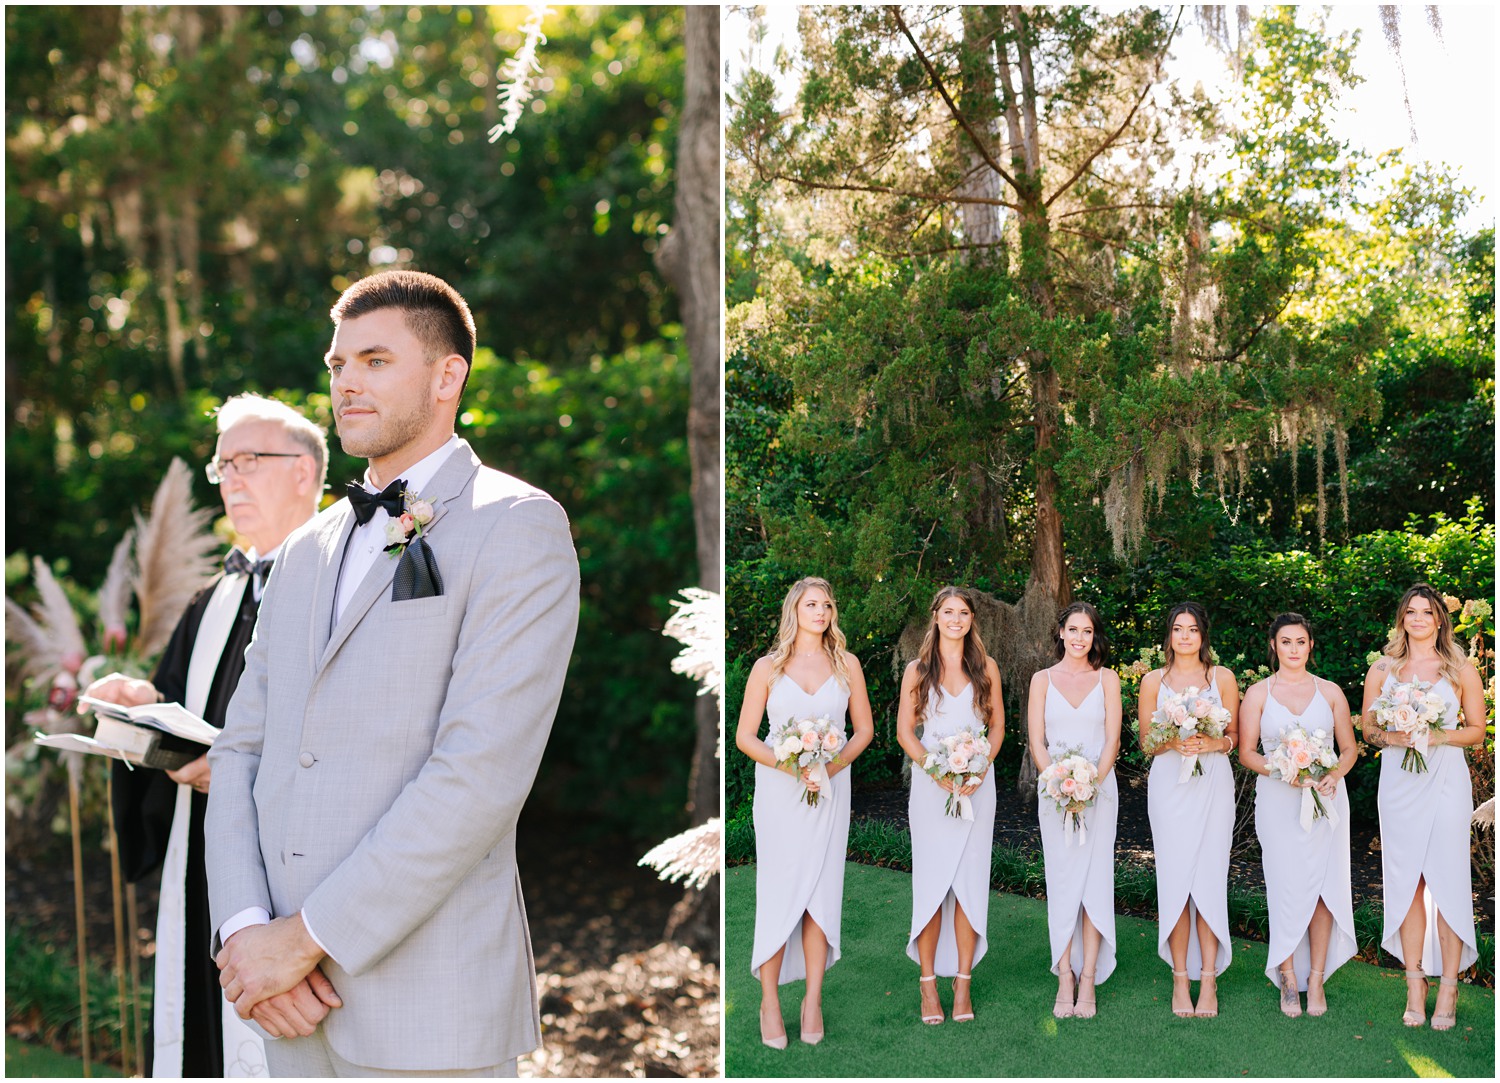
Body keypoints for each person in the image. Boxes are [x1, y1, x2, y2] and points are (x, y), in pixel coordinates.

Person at [205, 270, 580, 1077]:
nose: (345, 383)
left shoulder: (518, 526)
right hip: (285, 1010)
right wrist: (243, 932)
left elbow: (478, 773)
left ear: (448, 376)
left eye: (375, 360)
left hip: (427, 1005)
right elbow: (243, 748)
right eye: (338, 365)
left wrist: (302, 941)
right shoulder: (306, 547)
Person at [83, 394, 327, 1077]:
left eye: (250, 460)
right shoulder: (213, 598)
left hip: (289, 866)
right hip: (202, 854)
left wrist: (245, 770)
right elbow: (188, 708)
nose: (230, 479)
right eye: (223, 464)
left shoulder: (340, 584)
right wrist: (141, 702)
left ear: (305, 472)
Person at [735, 577, 874, 1049]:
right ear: (794, 610)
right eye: (811, 603)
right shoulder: (767, 668)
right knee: (780, 892)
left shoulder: (847, 664)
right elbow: (746, 737)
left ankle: (812, 999)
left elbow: (863, 732)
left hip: (831, 791)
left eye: (827, 604)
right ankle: (769, 1002)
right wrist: (794, 767)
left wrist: (827, 769)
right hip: (780, 793)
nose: (821, 611)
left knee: (821, 891)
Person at [1360, 584, 1485, 1031]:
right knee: (1408, 882)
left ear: (1439, 620)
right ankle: (1416, 983)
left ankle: (1449, 985)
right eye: (1410, 612)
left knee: (1448, 881)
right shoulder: (1383, 669)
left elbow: (1477, 731)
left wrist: (1435, 734)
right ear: (1402, 619)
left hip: (1447, 780)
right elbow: (1369, 728)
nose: (1418, 619)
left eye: (1426, 612)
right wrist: (1394, 736)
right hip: (1399, 783)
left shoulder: (1459, 669)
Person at [1239, 613, 1357, 1018]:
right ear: (1273, 645)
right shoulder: (1258, 693)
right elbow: (1246, 752)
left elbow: (1349, 749)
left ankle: (1316, 978)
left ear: (1310, 646)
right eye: (1285, 642)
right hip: (1278, 801)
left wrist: (1333, 774)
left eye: (1300, 641)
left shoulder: (1331, 692)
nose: (1293, 649)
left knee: (1323, 887)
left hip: (1326, 802)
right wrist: (1283, 770)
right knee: (1285, 886)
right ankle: (1288, 976)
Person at [896, 586, 1004, 1026]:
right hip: (931, 789)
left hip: (979, 787)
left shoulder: (987, 668)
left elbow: (996, 729)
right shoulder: (917, 670)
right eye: (948, 612)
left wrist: (979, 770)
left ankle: (963, 982)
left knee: (969, 885)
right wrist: (937, 771)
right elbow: (906, 733)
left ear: (971, 620)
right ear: (935, 617)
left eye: (963, 613)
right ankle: (927, 986)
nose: (956, 619)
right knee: (932, 885)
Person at [1136, 601, 1239, 1018]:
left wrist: (1212, 743)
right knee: (1176, 879)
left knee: (1210, 878)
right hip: (1169, 786)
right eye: (1178, 629)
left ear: (1203, 635)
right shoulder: (1151, 681)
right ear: (1169, 635)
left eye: (1192, 629)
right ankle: (1181, 978)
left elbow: (1234, 736)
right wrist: (1173, 742)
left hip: (1213, 784)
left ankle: (1209, 979)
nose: (1184, 636)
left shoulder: (1223, 678)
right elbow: (1146, 743)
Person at [1029, 601, 1122, 1020]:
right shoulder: (1041, 680)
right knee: (1064, 879)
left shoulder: (1108, 679)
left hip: (1099, 792)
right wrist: (1060, 787)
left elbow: (1112, 742)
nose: (1080, 638)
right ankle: (1064, 973)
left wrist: (1089, 788)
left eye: (1087, 631)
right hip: (1054, 795)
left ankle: (1088, 978)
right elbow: (1037, 743)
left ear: (1094, 636)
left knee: (1095, 880)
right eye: (1073, 629)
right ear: (1061, 632)